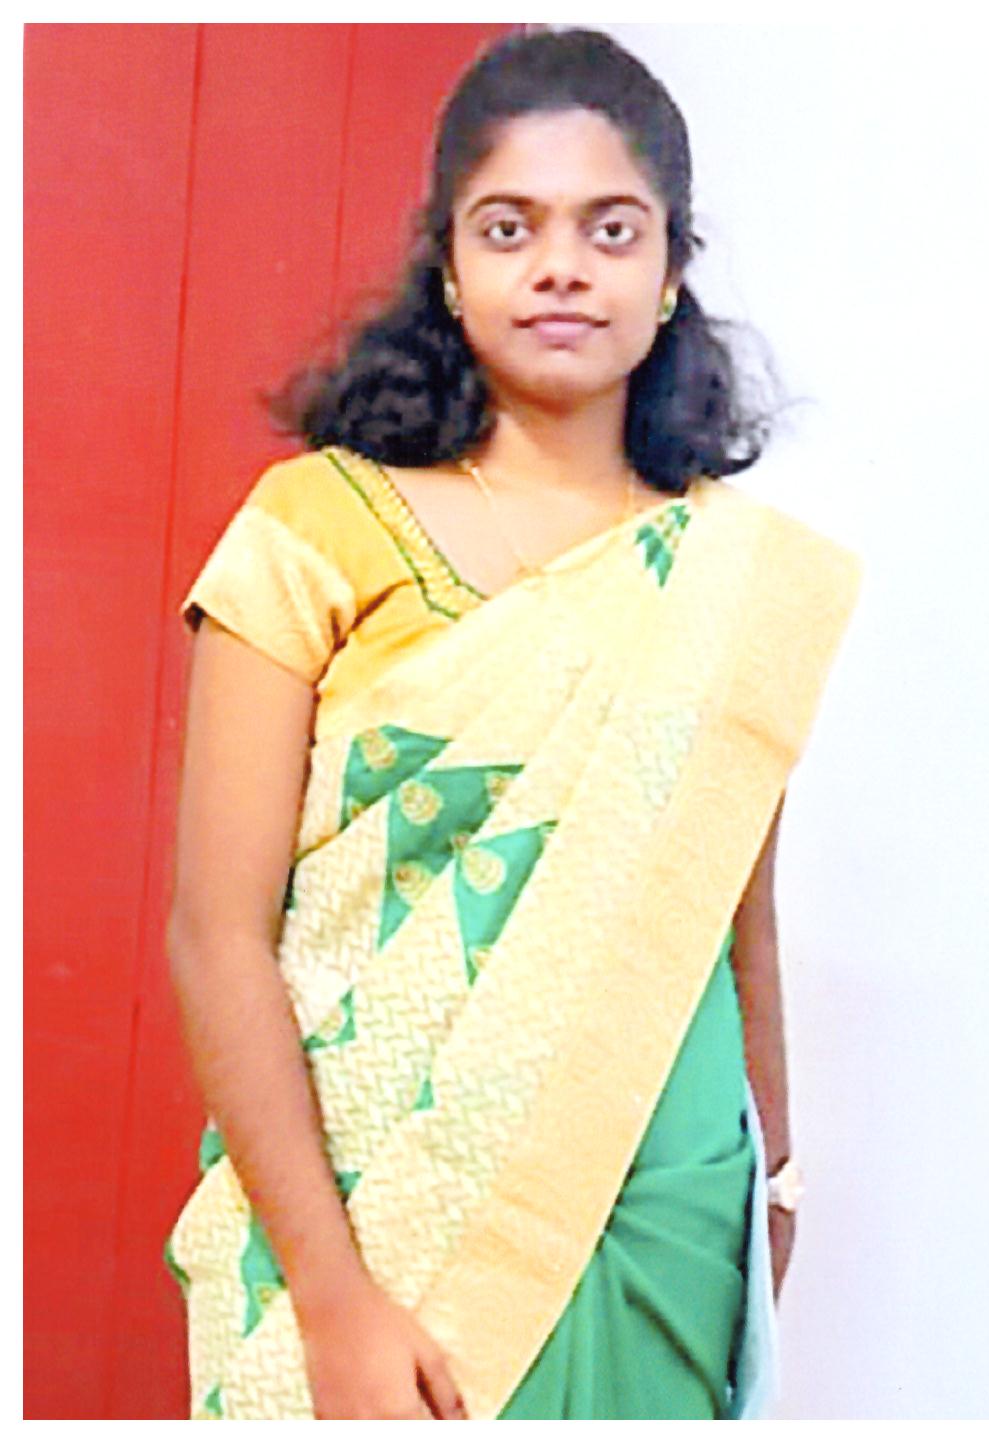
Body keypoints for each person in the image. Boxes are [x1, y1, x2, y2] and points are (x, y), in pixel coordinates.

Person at [163, 27, 861, 1422]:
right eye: (509, 227)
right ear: (449, 265)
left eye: (611, 229)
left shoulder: (729, 580)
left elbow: (739, 919)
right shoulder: (314, 528)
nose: (561, 266)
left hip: (666, 1196)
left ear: (670, 271)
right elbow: (215, 934)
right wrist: (333, 1298)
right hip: (369, 1216)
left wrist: (770, 1185)